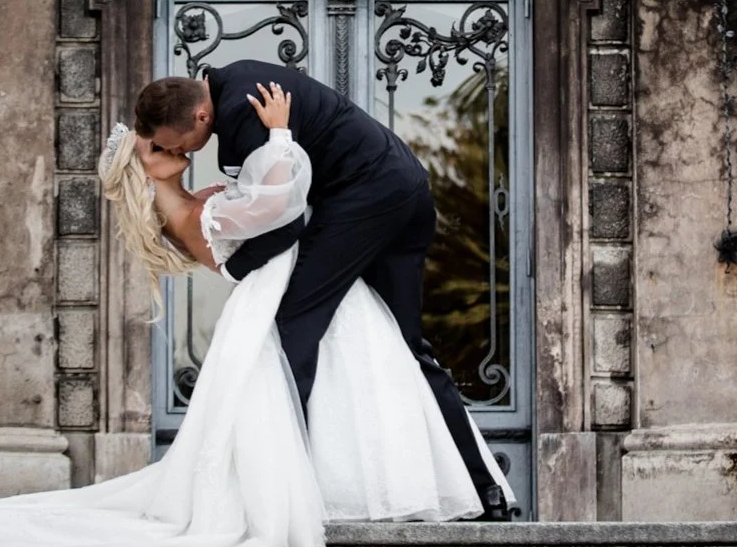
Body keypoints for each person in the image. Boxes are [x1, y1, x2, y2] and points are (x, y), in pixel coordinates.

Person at [0, 82, 513, 547]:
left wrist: (188, 169)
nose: (174, 155)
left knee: (364, 362)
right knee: (321, 360)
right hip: (302, 269)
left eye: (168, 147)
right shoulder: (201, 211)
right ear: (150, 161)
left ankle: (364, 483)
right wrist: (279, 132)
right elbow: (283, 192)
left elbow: (276, 209)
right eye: (160, 153)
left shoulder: (190, 200)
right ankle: (341, 483)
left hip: (328, 257)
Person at [136, 60, 515, 522]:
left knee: (290, 333)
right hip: (406, 187)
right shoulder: (235, 78)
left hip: (364, 200)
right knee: (409, 346)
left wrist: (237, 266)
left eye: (176, 143)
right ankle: (485, 490)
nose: (182, 153)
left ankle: (290, 493)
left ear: (200, 117)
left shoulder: (241, 112)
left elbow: (286, 220)